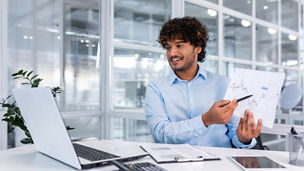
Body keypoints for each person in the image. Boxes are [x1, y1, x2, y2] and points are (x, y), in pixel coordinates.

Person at [144, 17, 262, 148]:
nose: (172, 53)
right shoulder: (156, 88)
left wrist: (244, 138)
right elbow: (160, 134)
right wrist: (206, 120)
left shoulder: (223, 84)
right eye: (168, 47)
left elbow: (235, 134)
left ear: (197, 48)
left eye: (179, 45)